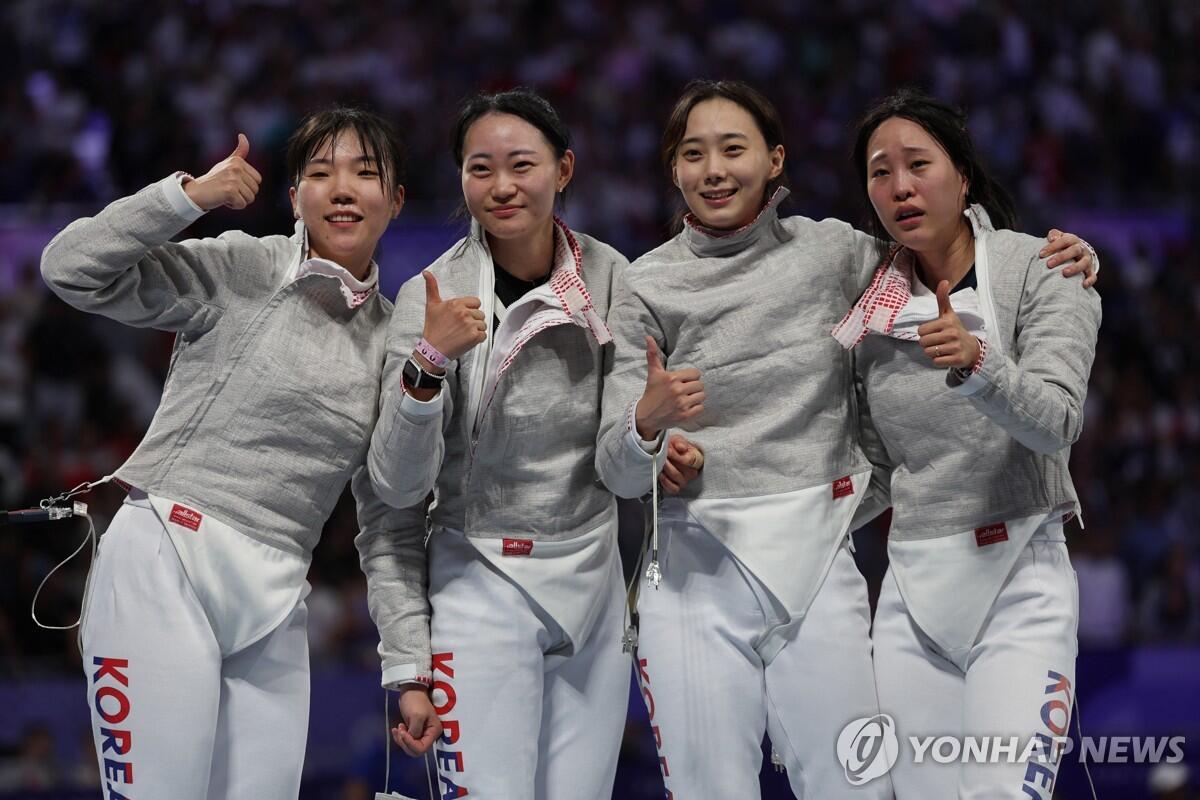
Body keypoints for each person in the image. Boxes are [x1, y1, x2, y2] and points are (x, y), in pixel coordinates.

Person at [596, 79, 1095, 799]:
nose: (713, 170)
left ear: (774, 160)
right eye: (693, 153)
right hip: (704, 565)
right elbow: (617, 466)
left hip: (837, 565)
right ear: (672, 168)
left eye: (732, 149)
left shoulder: (841, 256)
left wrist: (1077, 262)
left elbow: (968, 273)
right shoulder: (643, 285)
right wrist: (646, 430)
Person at [39, 107, 439, 799]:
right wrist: (186, 198)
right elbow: (70, 269)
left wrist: (408, 666)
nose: (342, 189)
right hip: (167, 562)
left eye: (365, 174)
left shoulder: (397, 339)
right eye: (320, 173)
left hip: (278, 594)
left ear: (396, 199)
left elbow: (391, 524)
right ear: (294, 196)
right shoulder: (243, 267)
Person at [367, 88, 679, 799]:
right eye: (481, 169)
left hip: (593, 584)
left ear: (563, 168)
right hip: (477, 581)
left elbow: (624, 476)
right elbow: (395, 485)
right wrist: (427, 366)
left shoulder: (614, 279)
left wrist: (646, 426)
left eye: (522, 164)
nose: (502, 187)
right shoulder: (430, 292)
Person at [835, 88, 1102, 798]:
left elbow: (1057, 422)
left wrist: (980, 364)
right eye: (880, 172)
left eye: (918, 164)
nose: (900, 186)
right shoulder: (866, 307)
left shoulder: (1046, 269)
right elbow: (881, 471)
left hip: (1020, 579)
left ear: (963, 175)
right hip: (913, 593)